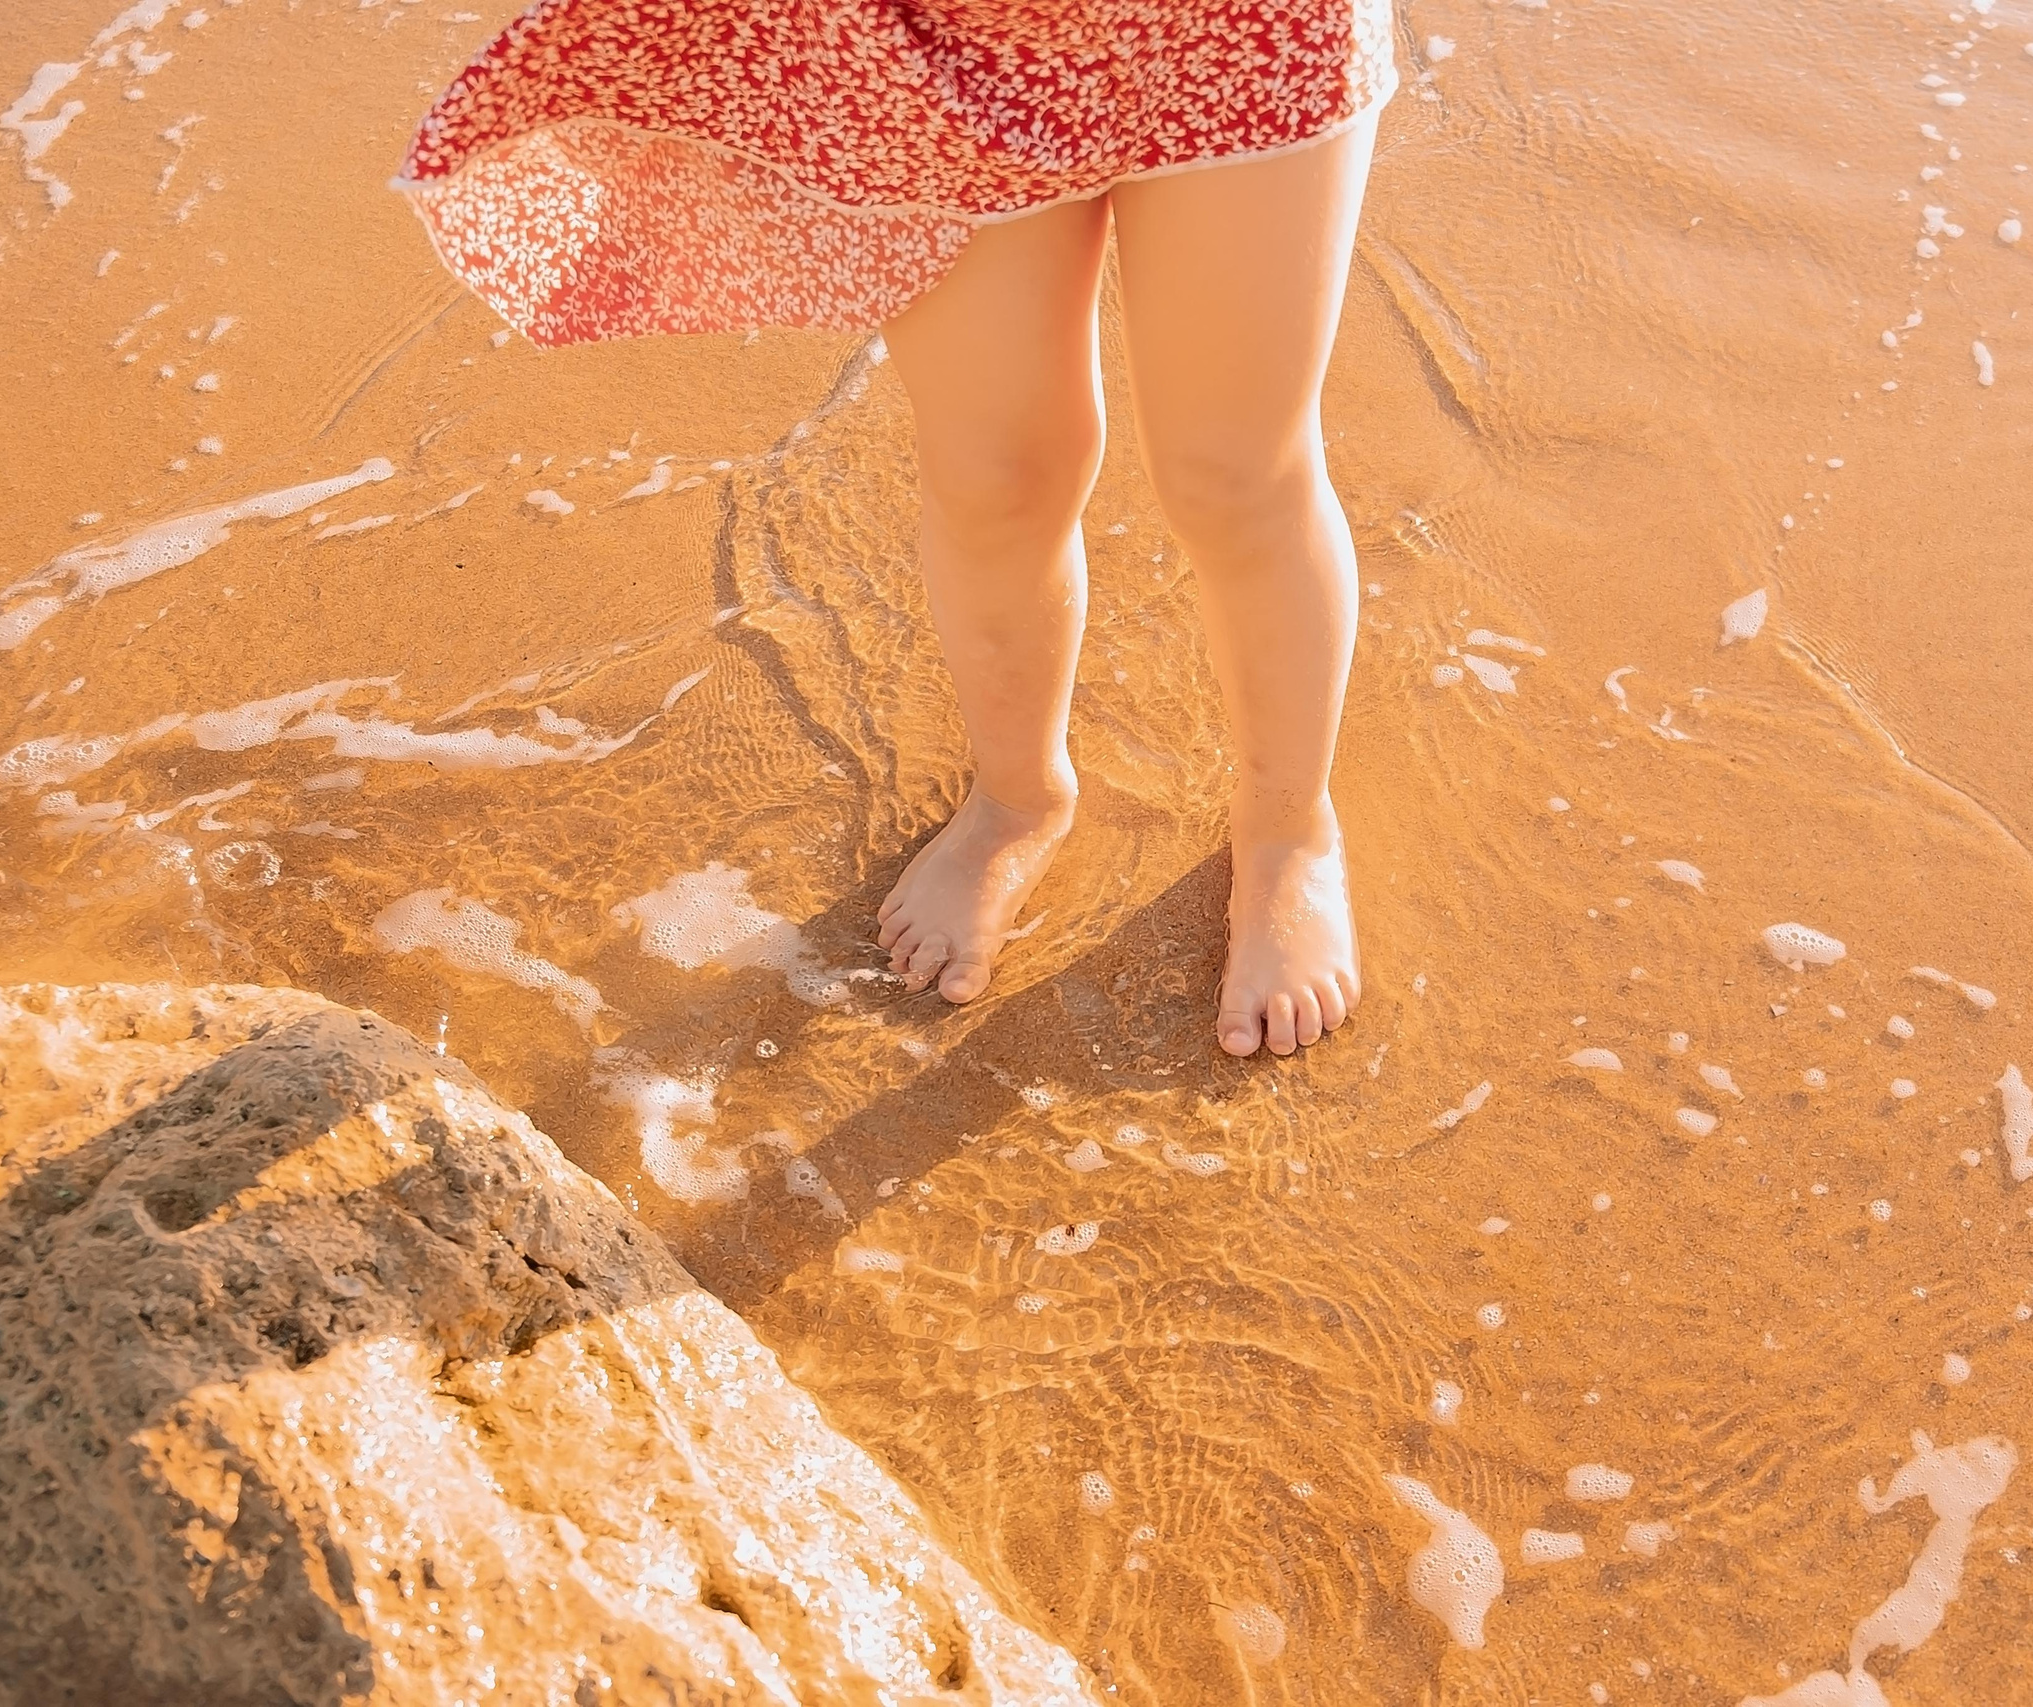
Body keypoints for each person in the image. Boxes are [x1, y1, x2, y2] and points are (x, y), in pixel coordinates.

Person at [397, 1, 1395, 1057]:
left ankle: (1288, 829)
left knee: (1234, 473)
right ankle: (1017, 799)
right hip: (936, 44)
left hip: (1236, 26)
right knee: (997, 473)